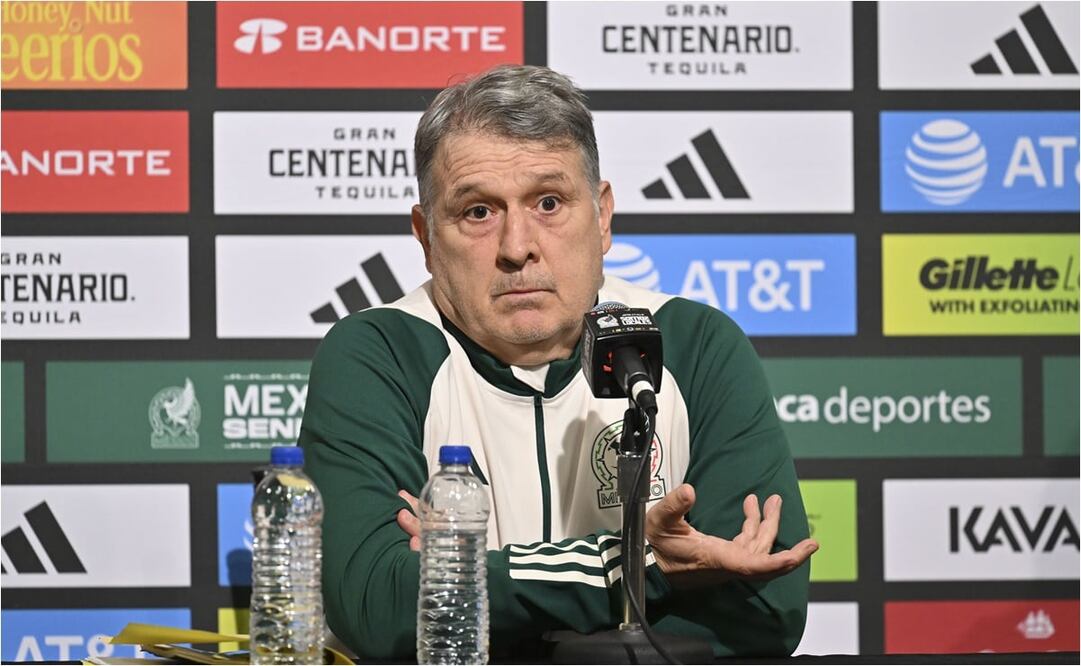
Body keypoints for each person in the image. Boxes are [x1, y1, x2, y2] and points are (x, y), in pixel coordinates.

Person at [298, 64, 818, 660]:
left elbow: (762, 613)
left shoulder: (694, 343)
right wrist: (638, 562)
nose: (518, 247)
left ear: (602, 217)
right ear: (426, 239)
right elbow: (378, 605)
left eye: (548, 202)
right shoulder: (378, 354)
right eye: (478, 212)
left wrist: (468, 584)